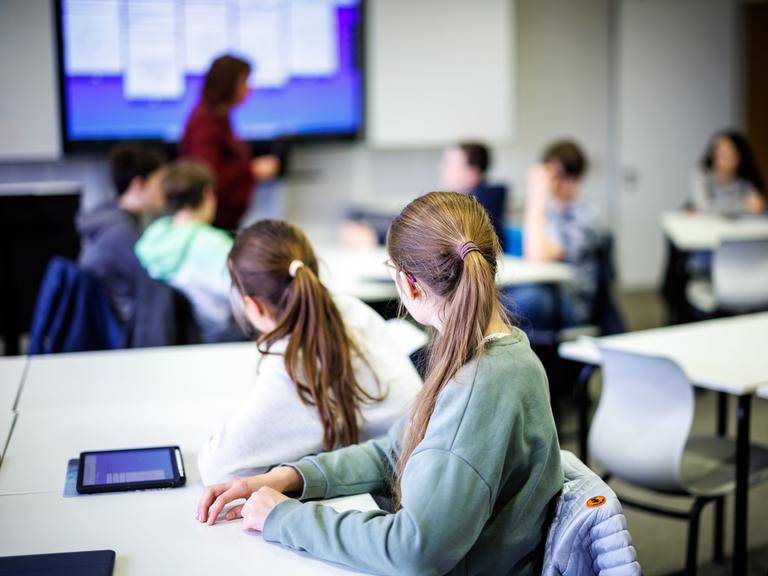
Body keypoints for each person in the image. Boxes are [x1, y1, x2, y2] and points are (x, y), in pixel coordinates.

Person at [197, 192, 562, 576]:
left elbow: (415, 550)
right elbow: (394, 451)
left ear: (408, 285)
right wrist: (290, 477)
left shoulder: (480, 389)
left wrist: (284, 519)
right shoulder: (494, 354)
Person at [198, 220, 422, 485]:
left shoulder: (292, 362)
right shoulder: (350, 308)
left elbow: (218, 468)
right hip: (416, 465)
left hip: (390, 489)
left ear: (253, 306)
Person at [135, 160, 238, 343]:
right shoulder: (212, 243)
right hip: (216, 341)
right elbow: (245, 298)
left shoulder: (151, 238)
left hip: (165, 341)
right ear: (207, 194)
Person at [341, 141, 508, 250]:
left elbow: (429, 235)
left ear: (472, 172)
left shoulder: (480, 204)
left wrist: (376, 237)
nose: (441, 168)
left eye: (449, 164)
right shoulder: (463, 201)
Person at [180, 54, 279, 231]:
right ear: (228, 83)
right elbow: (208, 173)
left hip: (225, 221)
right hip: (213, 223)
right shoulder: (205, 122)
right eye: (244, 82)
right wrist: (251, 170)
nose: (248, 89)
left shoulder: (220, 116)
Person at [511, 140, 602, 331]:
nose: (549, 182)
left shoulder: (586, 216)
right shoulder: (550, 210)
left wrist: (536, 196)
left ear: (572, 179)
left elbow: (535, 255)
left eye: (555, 175)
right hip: (544, 287)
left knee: (519, 303)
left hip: (570, 302)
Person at [77, 145, 166, 321]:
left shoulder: (109, 218)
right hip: (123, 326)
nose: (165, 191)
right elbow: (149, 287)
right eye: (160, 183)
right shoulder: (121, 232)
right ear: (138, 185)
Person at [689, 130, 766, 215]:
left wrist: (758, 204)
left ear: (739, 157)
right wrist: (744, 205)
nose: (723, 160)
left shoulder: (745, 179)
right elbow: (704, 207)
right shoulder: (702, 174)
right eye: (719, 154)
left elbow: (758, 206)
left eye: (729, 155)